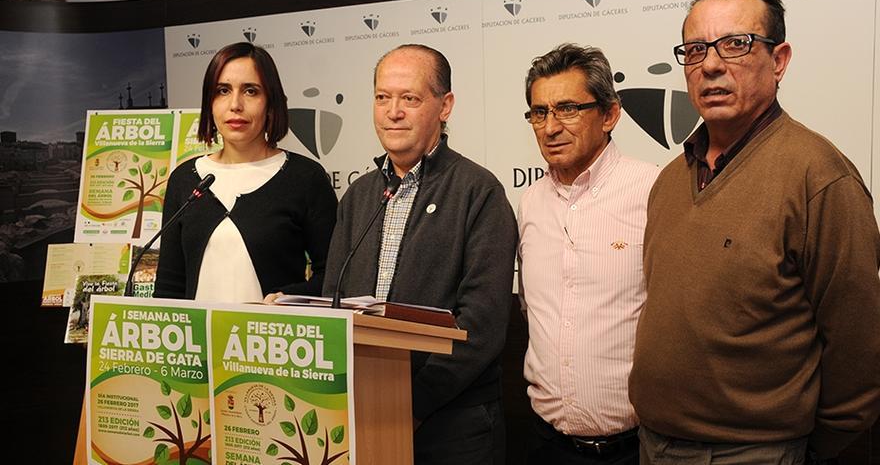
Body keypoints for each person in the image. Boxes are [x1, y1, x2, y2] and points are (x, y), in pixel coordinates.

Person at [629, 0, 880, 464]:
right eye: (696, 50)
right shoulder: (669, 180)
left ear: (779, 60)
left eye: (736, 45)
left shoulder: (819, 178)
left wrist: (808, 447)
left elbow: (858, 345)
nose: (712, 66)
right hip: (654, 445)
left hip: (755, 453)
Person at [322, 44, 517, 465]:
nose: (393, 112)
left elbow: (480, 327)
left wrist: (410, 404)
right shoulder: (359, 196)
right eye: (382, 97)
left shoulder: (479, 192)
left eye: (409, 98)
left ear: (445, 106)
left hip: (454, 426)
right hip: (365, 416)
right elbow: (334, 309)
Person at [517, 43, 659, 465]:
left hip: (634, 449)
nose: (550, 127)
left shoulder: (652, 190)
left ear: (610, 114)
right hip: (546, 444)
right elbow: (532, 310)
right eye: (539, 113)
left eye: (568, 109)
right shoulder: (529, 204)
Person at [154, 42, 337, 302]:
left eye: (250, 91)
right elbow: (169, 287)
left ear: (270, 102)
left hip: (276, 338)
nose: (235, 104)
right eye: (222, 91)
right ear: (210, 102)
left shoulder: (305, 178)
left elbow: (334, 279)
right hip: (196, 342)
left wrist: (289, 298)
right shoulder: (185, 179)